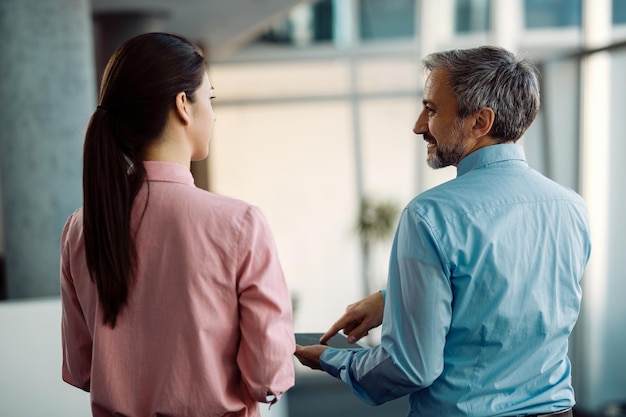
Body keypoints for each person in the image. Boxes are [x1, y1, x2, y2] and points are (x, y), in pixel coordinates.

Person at [295, 45, 591, 417]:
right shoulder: (571, 206)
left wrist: (333, 360)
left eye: (432, 109)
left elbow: (411, 367)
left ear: (480, 122)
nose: (419, 125)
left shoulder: (429, 216)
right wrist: (393, 299)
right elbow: (510, 295)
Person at [60, 32, 295, 417]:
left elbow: (84, 370)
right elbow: (267, 376)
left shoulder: (78, 229)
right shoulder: (240, 224)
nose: (214, 114)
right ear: (183, 105)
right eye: (211, 98)